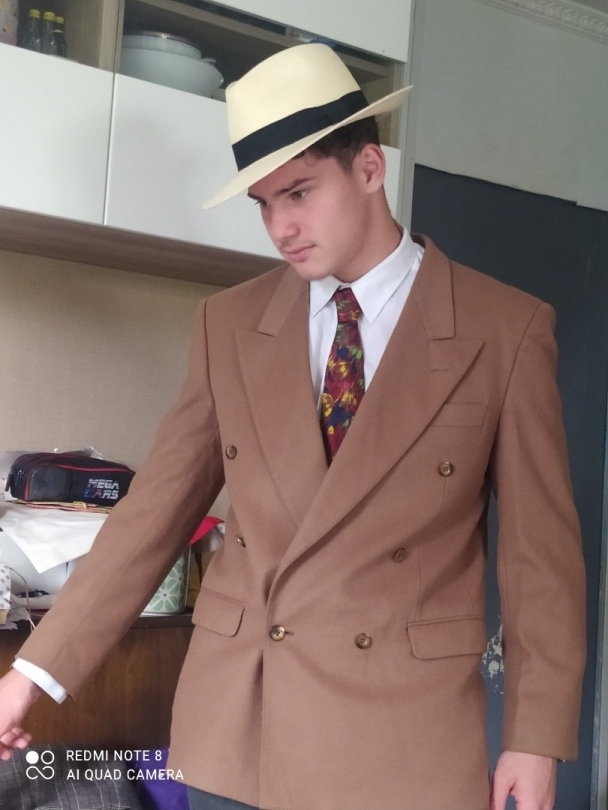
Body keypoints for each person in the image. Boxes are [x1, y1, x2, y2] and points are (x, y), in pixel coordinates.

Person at [0, 44, 586, 810]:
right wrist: (31, 674)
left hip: (406, 739)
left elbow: (541, 559)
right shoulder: (228, 324)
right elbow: (152, 515)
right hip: (241, 728)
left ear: (369, 168)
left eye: (300, 193)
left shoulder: (504, 329)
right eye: (264, 203)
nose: (280, 226)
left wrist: (536, 738)